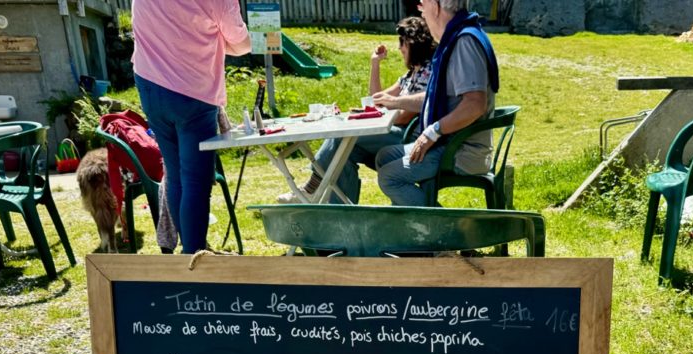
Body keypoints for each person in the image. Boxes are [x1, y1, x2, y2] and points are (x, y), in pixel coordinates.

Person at [131, 0, 250, 253]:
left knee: (175, 176)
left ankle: (190, 251)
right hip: (193, 89)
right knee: (196, 180)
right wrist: (215, 39)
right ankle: (194, 258)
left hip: (150, 86)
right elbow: (242, 44)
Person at [279, 16, 435, 204]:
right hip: (395, 131)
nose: (399, 48)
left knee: (342, 138)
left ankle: (313, 187)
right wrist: (375, 63)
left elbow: (402, 118)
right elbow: (376, 100)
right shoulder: (412, 73)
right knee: (343, 151)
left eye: (402, 43)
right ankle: (344, 209)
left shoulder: (428, 72)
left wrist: (389, 104)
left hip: (409, 136)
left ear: (412, 44)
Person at [376, 0, 499, 207]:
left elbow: (475, 104)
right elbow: (435, 98)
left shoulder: (464, 42)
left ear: (436, 5)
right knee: (385, 156)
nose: (420, 10)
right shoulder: (456, 37)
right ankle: (416, 227)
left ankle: (446, 231)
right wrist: (396, 102)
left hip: (461, 150)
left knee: (390, 177)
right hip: (451, 142)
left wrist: (432, 132)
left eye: (423, 3)